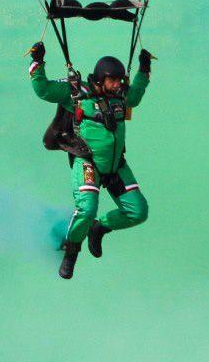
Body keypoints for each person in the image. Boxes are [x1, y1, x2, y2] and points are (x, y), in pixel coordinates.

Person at [28, 41, 152, 279]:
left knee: (138, 211)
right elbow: (43, 90)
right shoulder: (77, 93)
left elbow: (135, 95)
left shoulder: (120, 96)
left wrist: (144, 69)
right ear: (101, 79)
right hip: (88, 163)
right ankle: (71, 251)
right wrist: (37, 61)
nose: (117, 84)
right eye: (113, 80)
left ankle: (99, 227)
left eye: (119, 80)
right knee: (86, 209)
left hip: (115, 166)